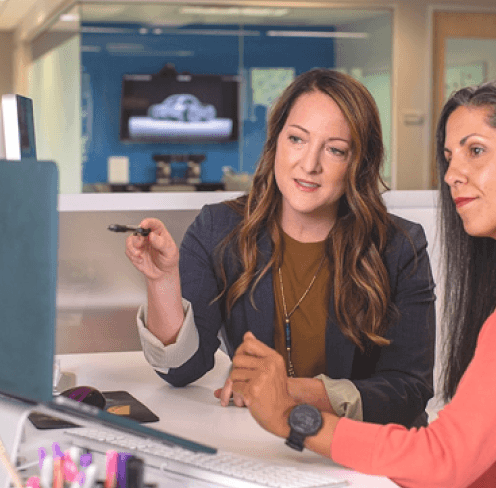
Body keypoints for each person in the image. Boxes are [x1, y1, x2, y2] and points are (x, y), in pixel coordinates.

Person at [227, 75, 496, 487]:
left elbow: (444, 461)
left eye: (476, 151)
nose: (452, 175)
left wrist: (293, 419)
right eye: (450, 157)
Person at [126, 68, 436, 427]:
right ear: (275, 142)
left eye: (335, 150)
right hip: (259, 444)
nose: (309, 165)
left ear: (358, 163)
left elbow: (409, 391)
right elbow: (181, 369)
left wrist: (288, 390)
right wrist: (162, 279)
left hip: (357, 453)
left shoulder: (399, 247)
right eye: (297, 140)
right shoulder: (218, 229)